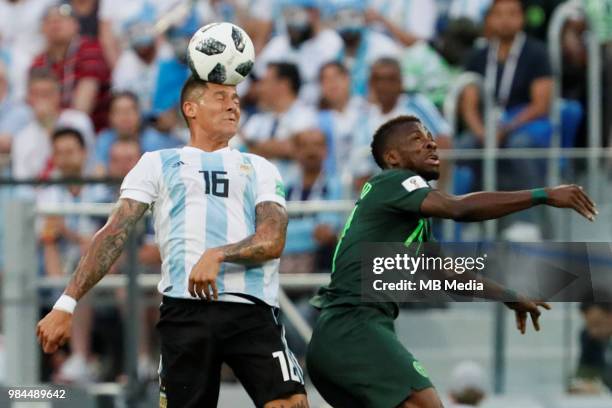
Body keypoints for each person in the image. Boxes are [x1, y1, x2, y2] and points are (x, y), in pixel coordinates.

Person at [36, 75, 308, 407]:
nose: (233, 103)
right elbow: (113, 233)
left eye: (236, 97)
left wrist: (218, 254)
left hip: (252, 309)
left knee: (290, 403)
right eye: (220, 96)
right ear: (190, 109)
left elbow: (273, 238)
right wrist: (67, 303)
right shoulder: (156, 163)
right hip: (185, 311)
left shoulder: (260, 167)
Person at [306, 115, 597, 408]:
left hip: (338, 336)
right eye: (417, 139)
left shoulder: (408, 215)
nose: (431, 142)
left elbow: (447, 275)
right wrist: (542, 194)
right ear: (392, 158)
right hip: (354, 327)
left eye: (429, 136)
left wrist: (510, 296)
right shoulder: (394, 181)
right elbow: (459, 208)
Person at [31, 3, 111, 131]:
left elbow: (83, 108)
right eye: (49, 21)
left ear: (76, 25)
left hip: (92, 130)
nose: (55, 24)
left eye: (61, 20)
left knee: (77, 121)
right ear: (42, 29)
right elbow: (36, 102)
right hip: (48, 124)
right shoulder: (39, 62)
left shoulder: (90, 50)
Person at [572, 300, 612, 393]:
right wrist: (583, 385)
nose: (592, 331)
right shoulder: (588, 336)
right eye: (588, 324)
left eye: (597, 323)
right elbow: (585, 372)